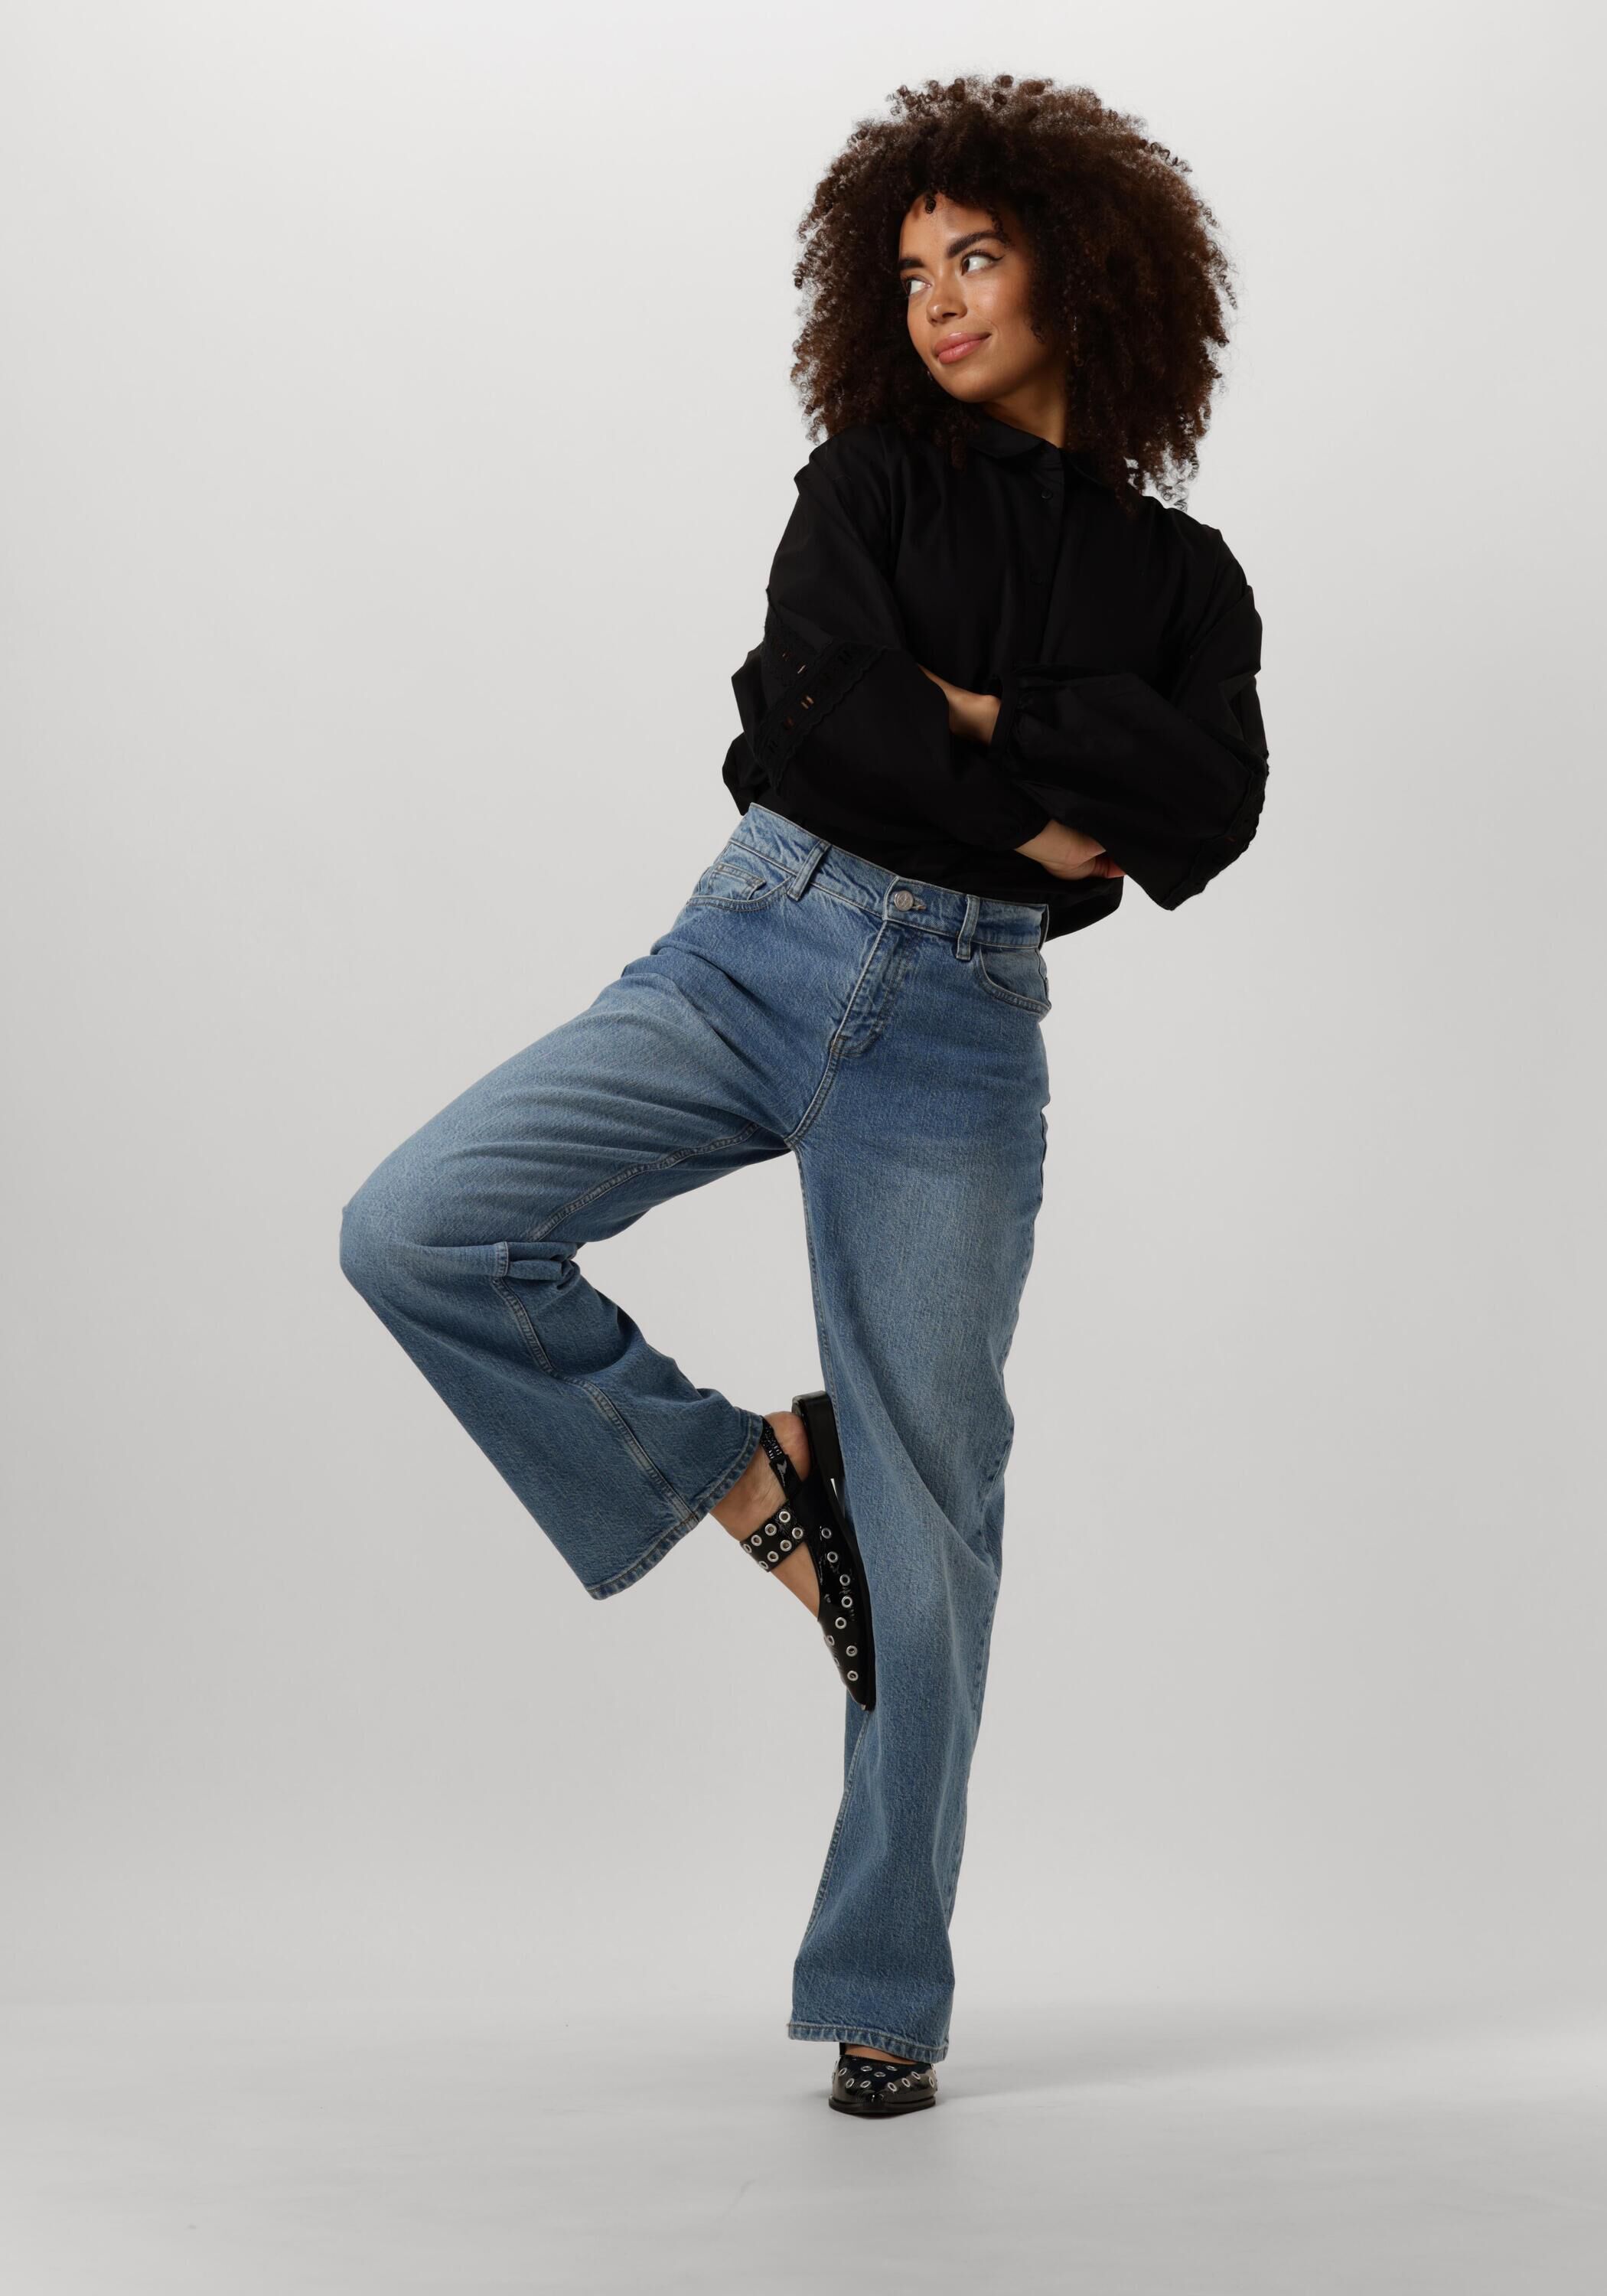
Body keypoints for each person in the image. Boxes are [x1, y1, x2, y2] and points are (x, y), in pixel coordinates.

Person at [339, 70, 1269, 2120]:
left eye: (978, 257)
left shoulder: (1185, 583)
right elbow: (807, 713)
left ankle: (883, 1992)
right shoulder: (865, 482)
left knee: (934, 1519)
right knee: (415, 1227)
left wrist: (978, 717)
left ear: (1080, 270)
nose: (939, 300)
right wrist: (1044, 791)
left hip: (962, 1030)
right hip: (757, 941)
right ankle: (752, 1480)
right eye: (911, 268)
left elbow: (1207, 809)